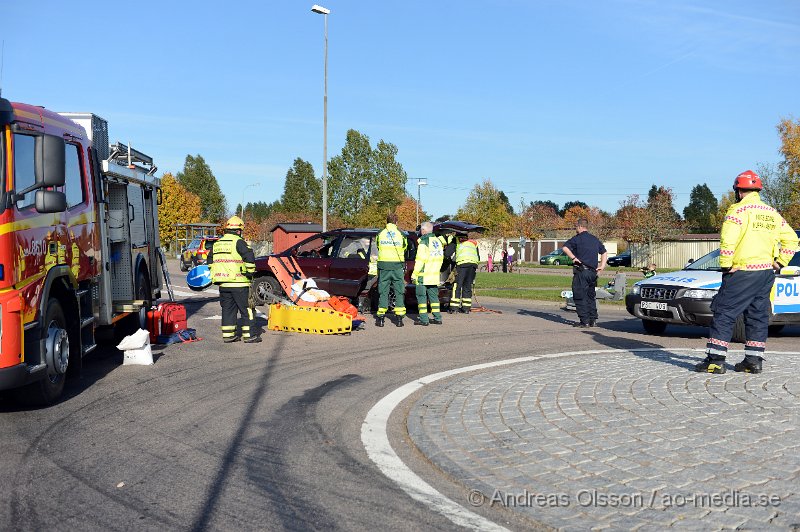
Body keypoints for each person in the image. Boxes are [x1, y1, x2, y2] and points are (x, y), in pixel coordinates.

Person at [695, 170, 798, 374]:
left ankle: (715, 360)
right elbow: (792, 239)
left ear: (739, 191)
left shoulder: (737, 211)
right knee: (758, 315)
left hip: (741, 271)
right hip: (766, 273)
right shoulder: (772, 213)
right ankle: (753, 360)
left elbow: (728, 241)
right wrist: (780, 262)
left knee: (724, 312)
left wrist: (725, 264)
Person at [207, 216, 261, 343]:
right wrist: (250, 272)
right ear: (238, 230)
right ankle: (250, 336)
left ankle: (228, 335)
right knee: (247, 309)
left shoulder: (217, 243)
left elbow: (210, 262)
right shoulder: (239, 242)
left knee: (228, 309)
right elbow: (249, 258)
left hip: (224, 284)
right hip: (239, 283)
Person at [562, 218, 608, 327]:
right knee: (590, 296)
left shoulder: (577, 239)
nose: (575, 229)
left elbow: (565, 248)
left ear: (579, 226)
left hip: (582, 271)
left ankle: (584, 321)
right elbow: (604, 252)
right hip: (593, 273)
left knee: (579, 295)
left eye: (575, 227)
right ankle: (593, 320)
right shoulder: (594, 239)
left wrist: (573, 258)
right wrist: (602, 266)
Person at [376, 213, 408, 327]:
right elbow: (405, 247)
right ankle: (399, 319)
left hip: (384, 266)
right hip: (397, 266)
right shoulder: (401, 234)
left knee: (383, 291)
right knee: (399, 291)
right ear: (396, 222)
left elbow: (378, 246)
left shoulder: (380, 233)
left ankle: (380, 318)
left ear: (387, 221)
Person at [412, 221, 445, 326]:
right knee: (434, 297)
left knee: (421, 297)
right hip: (434, 274)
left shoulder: (424, 242)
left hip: (423, 275)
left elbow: (420, 260)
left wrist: (414, 274)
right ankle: (437, 318)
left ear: (423, 230)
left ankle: (424, 319)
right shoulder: (438, 242)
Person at [450, 233, 480, 314]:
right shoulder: (473, 242)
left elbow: (448, 253)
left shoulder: (456, 240)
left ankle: (454, 308)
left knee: (457, 285)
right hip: (473, 265)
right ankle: (466, 308)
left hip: (462, 264)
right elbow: (478, 256)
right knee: (467, 286)